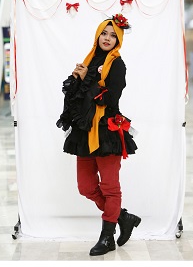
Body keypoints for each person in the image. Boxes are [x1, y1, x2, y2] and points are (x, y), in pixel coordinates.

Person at [56, 14, 140, 256]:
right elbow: (76, 99)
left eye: (113, 35)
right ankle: (123, 217)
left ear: (119, 39)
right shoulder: (90, 59)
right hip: (85, 131)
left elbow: (110, 99)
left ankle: (107, 237)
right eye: (105, 33)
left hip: (107, 131)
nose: (108, 38)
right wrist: (76, 80)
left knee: (110, 187)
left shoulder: (118, 65)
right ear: (98, 35)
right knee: (86, 187)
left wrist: (88, 80)